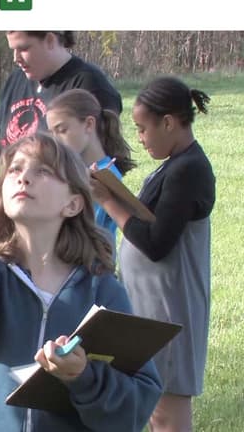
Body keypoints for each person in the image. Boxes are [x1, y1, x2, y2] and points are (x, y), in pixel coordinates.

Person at [0, 102, 162, 432]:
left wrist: (83, 377)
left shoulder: (101, 291)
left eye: (43, 171)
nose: (24, 178)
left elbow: (136, 405)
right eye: (14, 170)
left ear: (73, 204)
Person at [90, 76, 216, 432]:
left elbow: (157, 243)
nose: (140, 138)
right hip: (153, 304)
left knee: (167, 409)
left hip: (171, 305)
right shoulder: (174, 164)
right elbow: (149, 218)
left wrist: (107, 201)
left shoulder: (188, 169)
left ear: (168, 122)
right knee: (153, 405)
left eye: (143, 129)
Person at [0, 31, 123, 170]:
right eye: (13, 49)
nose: (16, 58)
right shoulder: (16, 79)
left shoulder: (89, 84)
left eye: (23, 48)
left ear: (50, 40)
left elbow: (97, 162)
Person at [46, 88, 136, 259]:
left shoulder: (105, 175)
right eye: (52, 133)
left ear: (88, 124)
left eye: (62, 130)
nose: (56, 141)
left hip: (91, 267)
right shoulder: (71, 172)